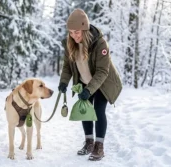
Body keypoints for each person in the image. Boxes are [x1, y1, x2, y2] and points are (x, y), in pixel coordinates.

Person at [58, 9, 122, 161]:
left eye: (77, 32)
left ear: (85, 29)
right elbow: (67, 66)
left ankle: (99, 146)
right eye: (71, 32)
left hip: (102, 83)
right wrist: (63, 81)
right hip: (84, 81)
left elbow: (102, 71)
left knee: (98, 110)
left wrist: (89, 90)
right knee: (84, 110)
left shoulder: (100, 44)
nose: (74, 36)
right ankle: (89, 142)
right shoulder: (70, 44)